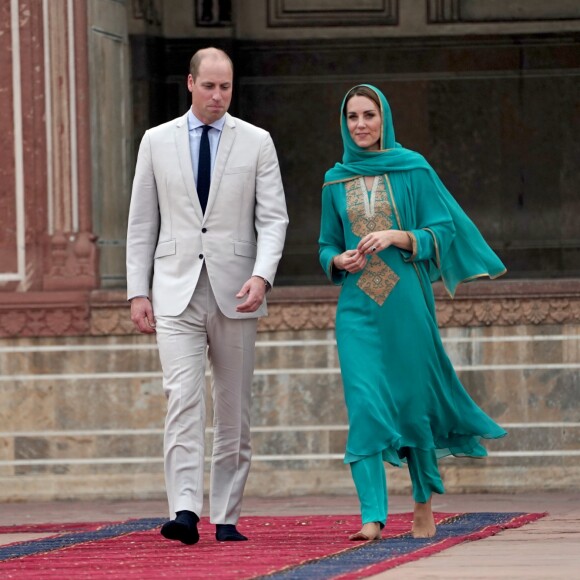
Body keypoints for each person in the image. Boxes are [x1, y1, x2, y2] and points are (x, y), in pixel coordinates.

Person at [318, 84, 507, 541]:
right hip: (357, 309)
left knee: (412, 404)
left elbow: (440, 228)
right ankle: (372, 516)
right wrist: (337, 261)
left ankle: (422, 504)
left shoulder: (412, 168)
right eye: (352, 117)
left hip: (406, 304)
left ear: (384, 119)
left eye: (369, 115)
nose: (360, 125)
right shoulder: (334, 180)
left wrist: (397, 237)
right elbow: (326, 242)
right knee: (364, 406)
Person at [126, 47, 288, 545]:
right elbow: (141, 223)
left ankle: (227, 515)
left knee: (233, 408)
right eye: (210, 86)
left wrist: (261, 277)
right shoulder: (156, 141)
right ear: (190, 84)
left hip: (236, 291)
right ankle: (184, 510)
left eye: (227, 87)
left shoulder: (257, 142)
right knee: (183, 399)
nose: (219, 96)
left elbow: (273, 218)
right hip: (173, 290)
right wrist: (137, 291)